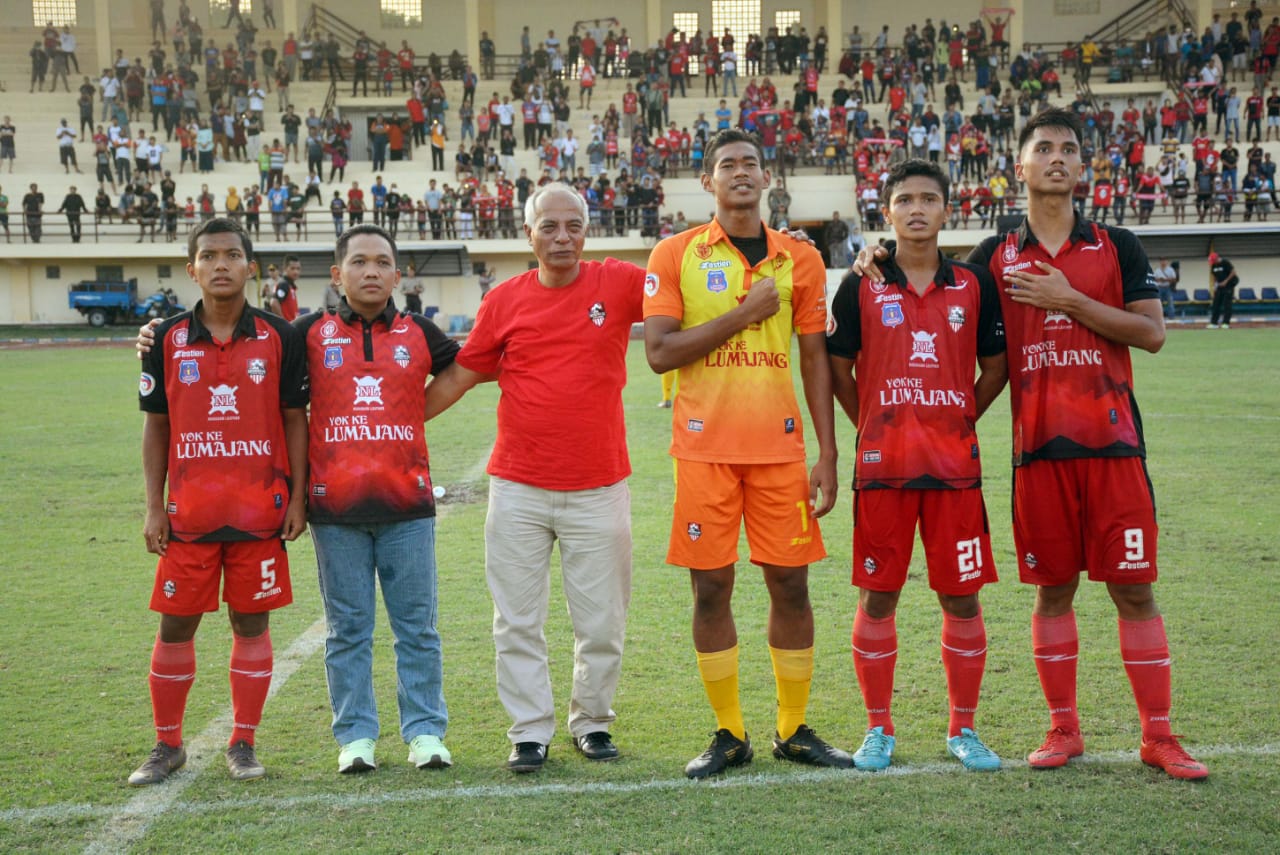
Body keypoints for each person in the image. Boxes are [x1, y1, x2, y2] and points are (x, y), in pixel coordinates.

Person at [853, 107, 1209, 780]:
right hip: (1037, 454)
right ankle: (1062, 728)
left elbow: (1151, 333)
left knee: (1135, 590)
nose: (1055, 158)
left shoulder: (1117, 244)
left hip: (1115, 448)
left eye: (1068, 150)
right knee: (1053, 591)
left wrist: (1067, 298)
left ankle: (1159, 736)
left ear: (1083, 168)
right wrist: (874, 254)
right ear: (1019, 167)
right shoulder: (992, 259)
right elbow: (937, 295)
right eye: (1041, 148)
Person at [643, 128, 848, 779]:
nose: (740, 172)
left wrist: (828, 450)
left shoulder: (801, 259)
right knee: (712, 588)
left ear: (766, 179)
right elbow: (660, 353)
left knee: (791, 582)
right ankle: (729, 731)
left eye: (750, 163)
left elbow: (815, 356)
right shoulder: (674, 253)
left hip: (781, 453)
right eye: (727, 164)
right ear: (707, 182)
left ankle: (792, 727)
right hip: (703, 453)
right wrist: (744, 311)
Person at [422, 185, 641, 774]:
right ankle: (529, 731)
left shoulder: (618, 283)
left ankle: (592, 722)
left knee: (601, 621)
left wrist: (780, 246)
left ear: (588, 232)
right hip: (518, 487)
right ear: (529, 235)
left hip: (599, 487)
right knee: (516, 620)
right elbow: (457, 379)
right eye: (549, 226)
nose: (563, 236)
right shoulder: (504, 300)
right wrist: (380, 424)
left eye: (574, 225)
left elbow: (688, 280)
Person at [827, 159, 1007, 772]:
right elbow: (837, 368)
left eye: (929, 198)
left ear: (946, 209)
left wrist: (958, 418)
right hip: (884, 470)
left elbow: (996, 367)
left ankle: (964, 729)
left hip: (955, 471)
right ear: (888, 211)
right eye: (904, 199)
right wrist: (872, 422)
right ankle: (879, 728)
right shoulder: (861, 283)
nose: (917, 209)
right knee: (878, 597)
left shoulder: (975, 284)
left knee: (962, 600)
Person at [131, 217, 308, 786]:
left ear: (250, 267)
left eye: (233, 254)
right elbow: (156, 426)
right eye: (209, 256)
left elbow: (293, 420)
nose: (221, 264)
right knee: (175, 627)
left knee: (249, 624)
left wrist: (298, 496)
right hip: (189, 515)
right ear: (193, 269)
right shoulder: (164, 339)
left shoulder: (281, 337)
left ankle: (243, 743)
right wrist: (154, 506)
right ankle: (167, 746)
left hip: (259, 513)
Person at [297, 225, 459, 774]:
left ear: (397, 274)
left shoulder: (421, 332)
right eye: (359, 262)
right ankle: (356, 737)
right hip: (335, 511)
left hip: (407, 508)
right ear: (337, 274)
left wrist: (413, 411)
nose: (371, 271)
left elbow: (466, 368)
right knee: (348, 630)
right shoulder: (307, 333)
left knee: (417, 627)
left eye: (382, 262)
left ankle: (425, 733)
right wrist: (155, 333)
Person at [1207, 251, 1239, 328]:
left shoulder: (1225, 263)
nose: (1213, 263)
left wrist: (1226, 281)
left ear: (1217, 259)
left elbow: (1233, 272)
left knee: (1227, 304)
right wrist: (1215, 286)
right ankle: (1214, 323)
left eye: (1213, 261)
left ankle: (1226, 323)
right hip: (1220, 286)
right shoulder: (1213, 266)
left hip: (1228, 286)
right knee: (1216, 304)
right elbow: (1214, 276)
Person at [270, 255, 301, 320]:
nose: (296, 272)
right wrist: (283, 323)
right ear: (285, 269)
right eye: (292, 268)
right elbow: (274, 303)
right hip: (286, 327)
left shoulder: (290, 286)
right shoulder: (284, 284)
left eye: (298, 269)